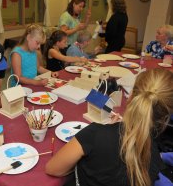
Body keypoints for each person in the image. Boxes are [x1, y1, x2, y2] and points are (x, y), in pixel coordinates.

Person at [45, 68, 173, 186]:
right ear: (166, 116)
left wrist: (103, 130)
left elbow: (53, 169)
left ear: (131, 98)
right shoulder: (155, 156)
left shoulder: (95, 134)